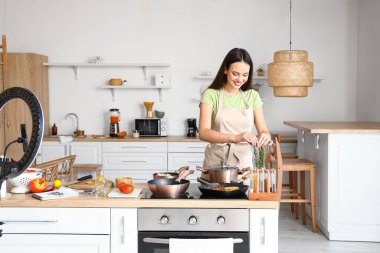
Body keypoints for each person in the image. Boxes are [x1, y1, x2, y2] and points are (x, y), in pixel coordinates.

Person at [199, 48, 272, 170]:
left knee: (242, 189)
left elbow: (263, 130)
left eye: (245, 75)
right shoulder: (211, 94)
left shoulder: (252, 96)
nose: (240, 80)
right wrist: (236, 137)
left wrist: (265, 135)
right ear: (226, 69)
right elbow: (203, 133)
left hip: (243, 165)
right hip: (216, 163)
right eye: (235, 74)